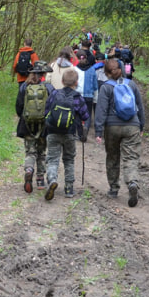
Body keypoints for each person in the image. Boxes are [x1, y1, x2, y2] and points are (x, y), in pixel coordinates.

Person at [94, 59, 145, 207]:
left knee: (113, 157)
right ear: (121, 70)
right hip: (132, 125)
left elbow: (101, 110)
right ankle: (132, 182)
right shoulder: (131, 84)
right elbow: (139, 106)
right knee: (131, 157)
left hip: (112, 127)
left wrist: (98, 130)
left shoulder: (106, 88)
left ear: (107, 73)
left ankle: (114, 188)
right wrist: (141, 125)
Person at [42, 69, 90, 200]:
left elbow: (46, 111)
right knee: (69, 160)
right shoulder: (78, 98)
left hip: (53, 132)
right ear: (76, 82)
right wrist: (83, 132)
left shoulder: (54, 94)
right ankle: (69, 188)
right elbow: (85, 116)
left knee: (52, 159)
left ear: (62, 81)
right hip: (69, 133)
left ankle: (52, 180)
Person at [16, 61, 55, 191]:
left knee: (30, 152)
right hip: (44, 125)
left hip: (27, 124)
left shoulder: (24, 87)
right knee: (42, 153)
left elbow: (19, 106)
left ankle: (29, 169)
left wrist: (24, 117)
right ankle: (40, 180)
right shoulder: (49, 88)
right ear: (43, 74)